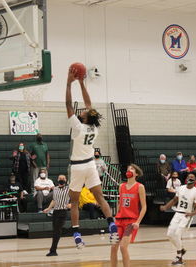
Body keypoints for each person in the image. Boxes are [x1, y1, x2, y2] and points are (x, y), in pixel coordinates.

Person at [65, 66, 118, 248]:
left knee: (73, 202)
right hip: (90, 166)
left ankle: (77, 235)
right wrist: (81, 82)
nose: (83, 111)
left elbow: (68, 105)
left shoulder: (78, 126)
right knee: (100, 197)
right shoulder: (94, 128)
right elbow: (89, 105)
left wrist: (68, 83)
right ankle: (112, 225)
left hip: (78, 167)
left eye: (84, 113)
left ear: (85, 118)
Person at [160, 173, 196, 265]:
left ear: (195, 180)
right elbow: (175, 200)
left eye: (192, 177)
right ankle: (181, 249)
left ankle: (179, 256)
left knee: (177, 233)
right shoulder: (181, 188)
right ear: (186, 178)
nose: (190, 178)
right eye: (189, 176)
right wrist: (166, 207)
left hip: (186, 215)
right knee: (170, 234)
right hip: (178, 213)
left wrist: (191, 213)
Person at [111, 164, 146, 267]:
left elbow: (144, 207)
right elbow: (119, 203)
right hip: (119, 220)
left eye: (131, 169)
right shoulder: (121, 186)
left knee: (123, 247)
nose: (128, 170)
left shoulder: (140, 187)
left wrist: (138, 222)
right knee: (113, 247)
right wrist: (116, 216)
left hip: (131, 221)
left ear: (136, 173)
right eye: (127, 169)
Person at [43, 175, 70, 257]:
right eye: (60, 178)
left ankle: (53, 250)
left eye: (63, 178)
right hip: (55, 212)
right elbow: (54, 200)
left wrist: (71, 204)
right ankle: (71, 231)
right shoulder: (55, 189)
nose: (62, 180)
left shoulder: (69, 189)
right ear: (57, 179)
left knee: (56, 231)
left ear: (66, 180)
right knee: (56, 230)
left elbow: (75, 200)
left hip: (63, 211)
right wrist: (48, 208)